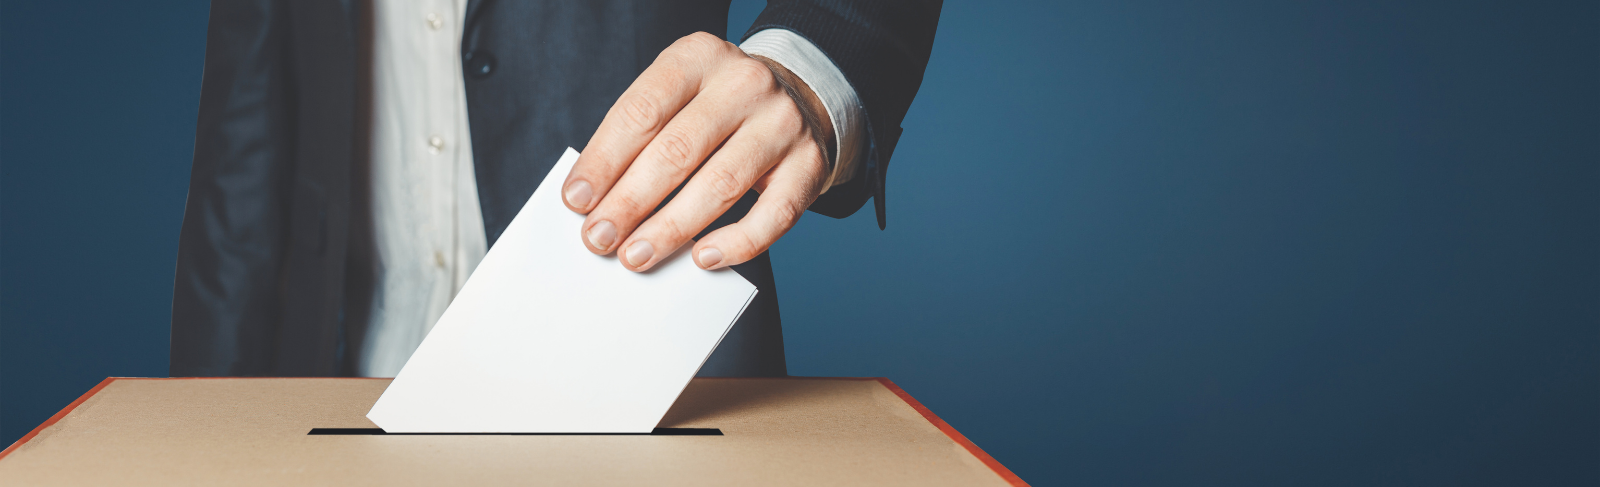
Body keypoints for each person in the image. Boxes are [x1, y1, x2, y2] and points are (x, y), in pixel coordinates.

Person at [169, 0, 940, 378]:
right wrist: (205, 429)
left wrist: (809, 67)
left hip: (650, 377)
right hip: (338, 380)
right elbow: (246, 138)